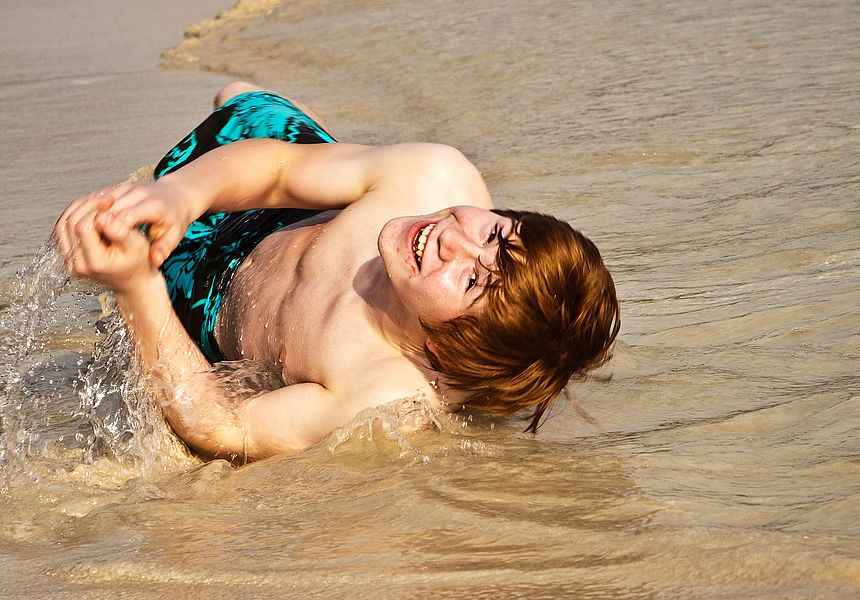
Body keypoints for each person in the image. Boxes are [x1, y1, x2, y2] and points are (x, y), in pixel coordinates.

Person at [55, 82, 620, 462]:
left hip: (207, 308)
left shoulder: (381, 389)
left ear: (447, 348)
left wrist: (137, 289)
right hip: (281, 212)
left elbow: (226, 426)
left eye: (472, 281)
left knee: (125, 278)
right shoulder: (434, 178)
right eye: (495, 234)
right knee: (248, 111)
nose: (453, 238)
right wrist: (180, 195)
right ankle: (282, 114)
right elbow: (277, 170)